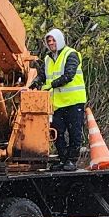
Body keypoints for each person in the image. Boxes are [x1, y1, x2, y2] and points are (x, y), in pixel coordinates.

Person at [40, 27, 88, 170]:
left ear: (59, 40)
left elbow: (69, 75)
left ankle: (72, 160)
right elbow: (42, 76)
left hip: (74, 101)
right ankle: (63, 159)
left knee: (74, 133)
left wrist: (51, 85)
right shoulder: (48, 58)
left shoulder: (71, 54)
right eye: (49, 41)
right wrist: (34, 84)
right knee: (56, 132)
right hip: (57, 103)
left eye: (53, 40)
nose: (51, 43)